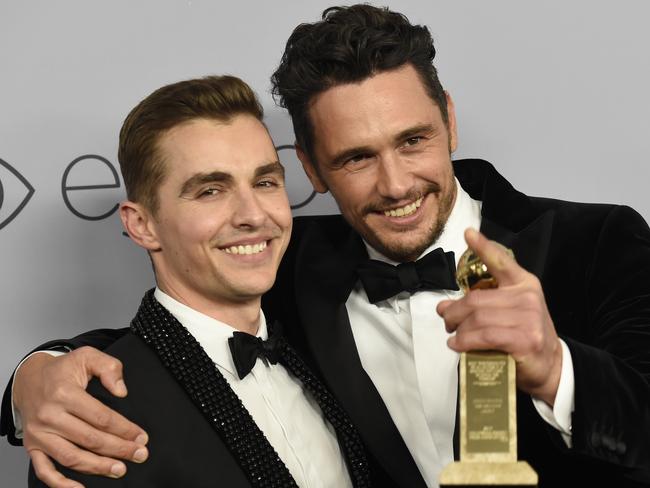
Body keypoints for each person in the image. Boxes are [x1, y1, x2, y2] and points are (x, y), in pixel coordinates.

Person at [3, 4, 650, 488]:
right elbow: (183, 335)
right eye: (356, 157)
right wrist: (32, 378)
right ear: (311, 169)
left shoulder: (596, 242)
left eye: (414, 140)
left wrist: (558, 369)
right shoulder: (291, 262)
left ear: (449, 119)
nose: (396, 184)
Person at [17, 74, 373, 487]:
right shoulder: (91, 419)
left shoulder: (323, 336)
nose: (253, 215)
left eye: (264, 182)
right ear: (142, 225)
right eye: (210, 191)